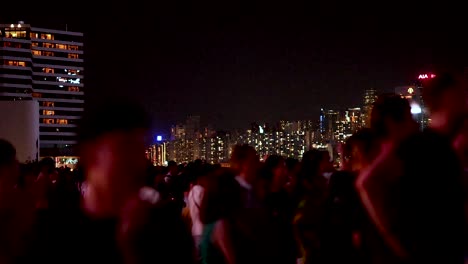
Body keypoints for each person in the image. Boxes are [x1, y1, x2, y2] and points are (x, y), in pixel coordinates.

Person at [357, 71, 466, 264]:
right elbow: (367, 183)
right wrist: (393, 238)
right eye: (408, 117)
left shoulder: (429, 145)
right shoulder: (408, 148)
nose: (414, 123)